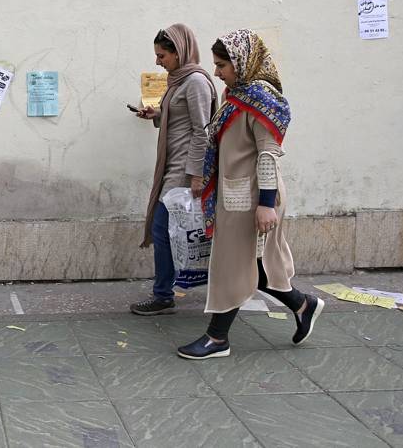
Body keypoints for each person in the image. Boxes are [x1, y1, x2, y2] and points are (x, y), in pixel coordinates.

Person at [177, 29, 324, 359]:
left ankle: (217, 338)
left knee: (232, 265)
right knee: (252, 266)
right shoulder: (237, 95)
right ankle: (303, 305)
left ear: (242, 63)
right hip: (238, 196)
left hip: (254, 199)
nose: (216, 73)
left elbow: (268, 153)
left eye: (222, 65)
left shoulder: (259, 100)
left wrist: (266, 205)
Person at [130, 24, 217, 316]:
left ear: (179, 52)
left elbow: (202, 130)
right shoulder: (178, 80)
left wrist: (196, 175)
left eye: (162, 55)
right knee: (165, 229)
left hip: (183, 170)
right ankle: (166, 292)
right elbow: (179, 116)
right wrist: (157, 114)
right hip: (171, 165)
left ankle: (163, 295)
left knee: (161, 227)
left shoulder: (195, 82)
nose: (158, 61)